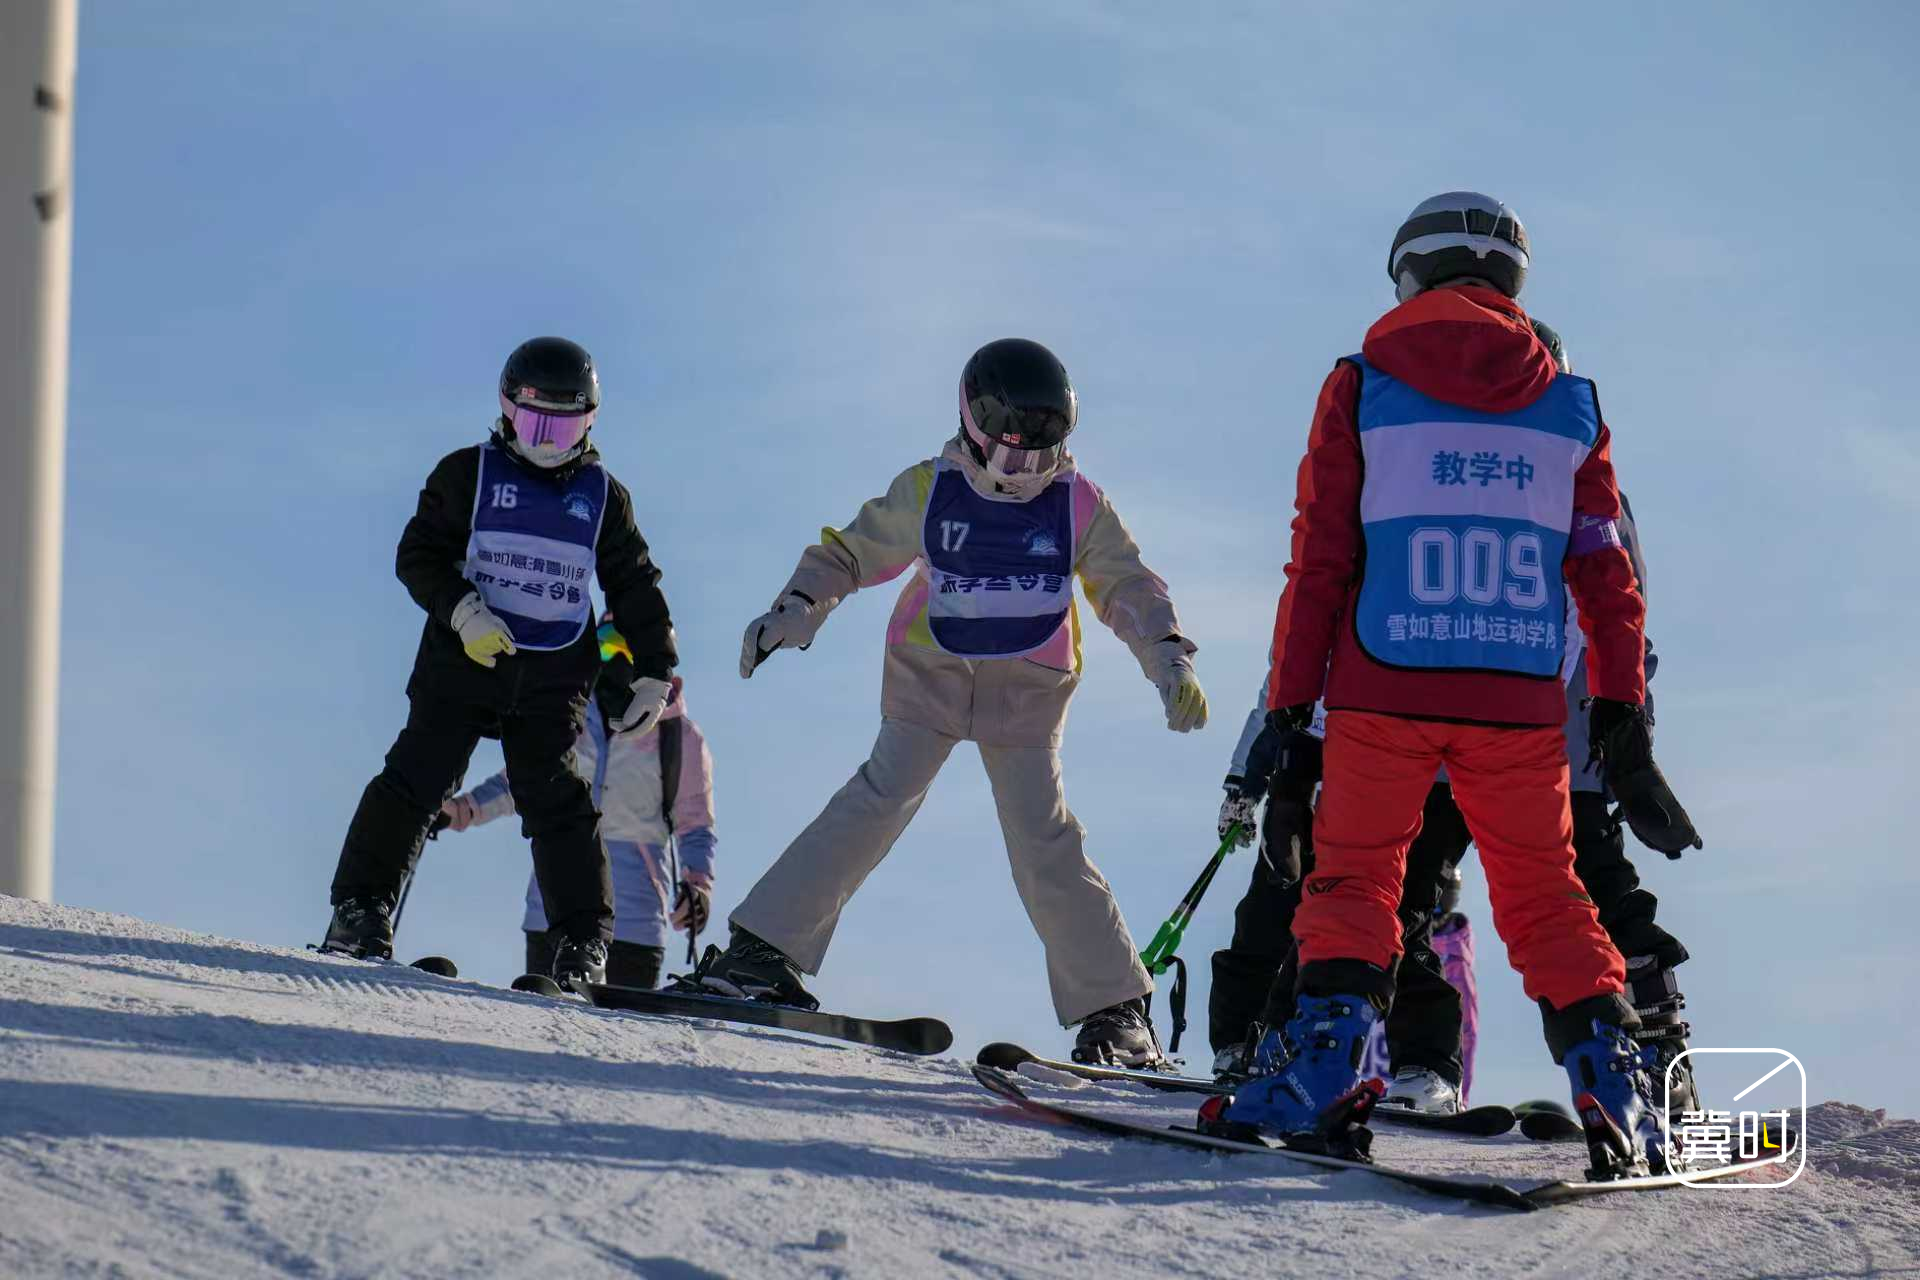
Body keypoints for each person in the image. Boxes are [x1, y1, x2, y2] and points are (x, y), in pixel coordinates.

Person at [1211, 193, 1675, 1176]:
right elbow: (1607, 577)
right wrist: (1623, 714)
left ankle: (1324, 1070)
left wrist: (1290, 711)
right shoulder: (1572, 407)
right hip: (1515, 696)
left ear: (1411, 274)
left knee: (1356, 875)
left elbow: (1320, 562)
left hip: (1384, 683)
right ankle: (1616, 1087)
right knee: (1547, 893)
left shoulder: (1361, 385)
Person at [685, 337, 1209, 1066]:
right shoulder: (931, 490)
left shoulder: (1076, 503)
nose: (1024, 475)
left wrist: (1167, 658)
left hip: (1025, 693)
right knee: (875, 801)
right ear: (972, 424)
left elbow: (1127, 586)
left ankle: (1115, 1011)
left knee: (1044, 840)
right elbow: (850, 553)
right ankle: (759, 955)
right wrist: (798, 607)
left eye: (1042, 456)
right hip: (930, 678)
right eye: (1010, 458)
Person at [322, 337, 679, 992]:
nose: (547, 442)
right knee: (419, 775)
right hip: (464, 661)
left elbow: (633, 584)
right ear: (507, 410)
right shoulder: (469, 474)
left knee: (556, 797)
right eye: (534, 423)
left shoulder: (602, 498)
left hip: (553, 675)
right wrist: (462, 611)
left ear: (590, 422)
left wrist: (656, 669)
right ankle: (360, 911)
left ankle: (581, 945)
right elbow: (418, 554)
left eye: (563, 427)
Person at [1210, 691, 1477, 1111]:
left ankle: (1429, 1064)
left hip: (1438, 770)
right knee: (1279, 905)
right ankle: (1252, 1041)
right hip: (1336, 762)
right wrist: (1246, 778)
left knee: (1401, 915)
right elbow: (1279, 690)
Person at [438, 622, 716, 989]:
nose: (617, 659)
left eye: (629, 648)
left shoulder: (679, 736)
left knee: (619, 1021)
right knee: (543, 1012)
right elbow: (521, 783)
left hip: (635, 919)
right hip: (555, 910)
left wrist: (698, 885)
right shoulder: (569, 716)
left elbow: (695, 824)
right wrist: (462, 809)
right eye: (606, 645)